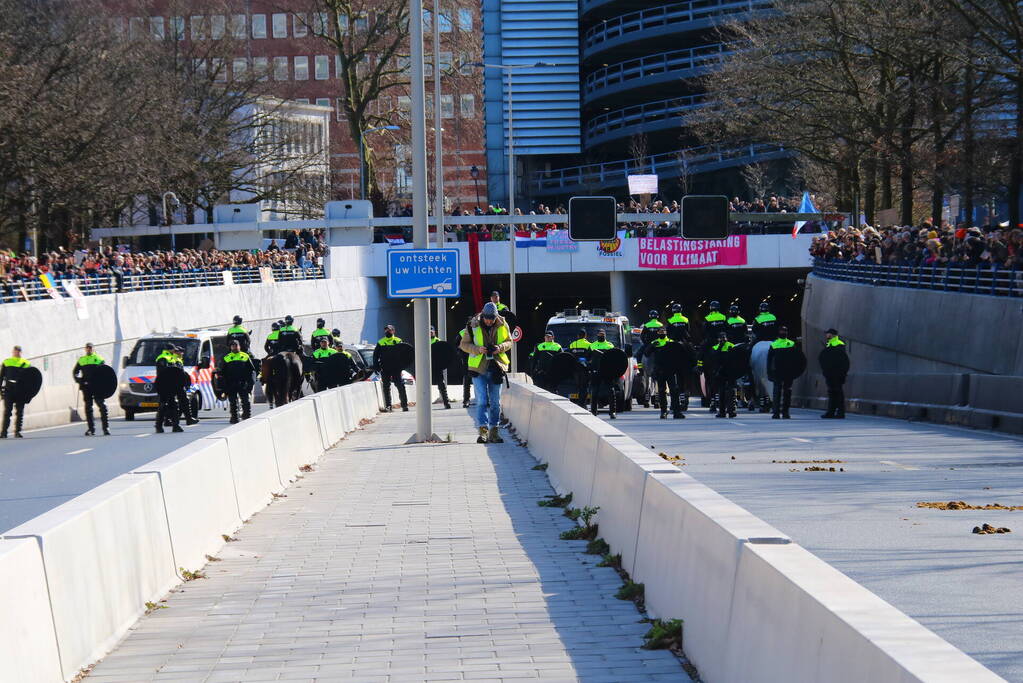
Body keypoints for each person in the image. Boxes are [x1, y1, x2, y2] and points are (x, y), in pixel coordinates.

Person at [460, 302, 512, 443]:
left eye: (492, 319)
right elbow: (463, 344)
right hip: (478, 369)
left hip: (496, 368)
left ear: (496, 317)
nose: (489, 321)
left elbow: (509, 342)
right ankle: (483, 431)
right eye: (487, 318)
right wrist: (477, 349)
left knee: (495, 403)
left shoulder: (503, 324)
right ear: (483, 315)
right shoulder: (473, 324)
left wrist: (499, 347)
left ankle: (494, 431)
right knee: (482, 401)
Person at [73, 343, 109, 436]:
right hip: (86, 387)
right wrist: (80, 381)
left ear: (93, 349)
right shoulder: (82, 360)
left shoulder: (99, 359)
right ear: (85, 349)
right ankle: (91, 429)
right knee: (88, 407)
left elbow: (105, 371)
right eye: (87, 348)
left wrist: (103, 382)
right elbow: (75, 372)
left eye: (90, 348)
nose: (89, 349)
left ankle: (106, 428)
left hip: (97, 386)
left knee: (102, 406)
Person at [766, 327, 802, 419]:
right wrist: (769, 372)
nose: (783, 332)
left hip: (788, 371)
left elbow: (797, 358)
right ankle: (776, 413)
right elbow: (769, 360)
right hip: (777, 371)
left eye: (785, 331)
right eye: (782, 331)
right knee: (777, 392)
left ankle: (786, 413)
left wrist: (796, 370)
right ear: (778, 332)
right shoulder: (774, 344)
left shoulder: (791, 343)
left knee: (787, 392)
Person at [650, 328, 684, 419]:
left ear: (666, 333)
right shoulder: (655, 342)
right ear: (657, 333)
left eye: (664, 332)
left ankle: (676, 412)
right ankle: (663, 411)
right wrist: (651, 346)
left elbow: (679, 355)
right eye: (660, 332)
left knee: (674, 391)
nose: (662, 333)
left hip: (671, 370)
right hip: (660, 370)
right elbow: (646, 353)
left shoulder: (671, 342)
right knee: (662, 391)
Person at [373, 324, 408, 412]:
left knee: (400, 385)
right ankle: (388, 406)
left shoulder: (398, 340)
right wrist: (376, 366)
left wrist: (403, 365)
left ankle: (404, 405)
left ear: (393, 331)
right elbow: (375, 355)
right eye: (386, 330)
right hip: (385, 368)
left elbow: (404, 354)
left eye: (389, 330)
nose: (387, 331)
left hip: (396, 368)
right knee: (386, 387)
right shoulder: (381, 342)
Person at [219, 339, 254, 423]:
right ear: (230, 347)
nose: (235, 347)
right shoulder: (226, 357)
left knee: (245, 401)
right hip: (231, 383)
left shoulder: (245, 356)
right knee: (232, 402)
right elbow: (222, 373)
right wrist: (224, 386)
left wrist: (250, 383)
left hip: (243, 383)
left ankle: (247, 416)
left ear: (239, 346)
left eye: (236, 345)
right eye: (233, 346)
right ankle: (234, 418)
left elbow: (251, 370)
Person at [819, 328, 850, 419]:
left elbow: (841, 360)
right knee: (831, 392)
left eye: (828, 334)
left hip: (837, 373)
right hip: (830, 373)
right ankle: (830, 412)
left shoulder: (839, 344)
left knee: (838, 392)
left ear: (832, 335)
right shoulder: (829, 344)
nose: (826, 335)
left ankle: (840, 412)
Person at [588, 328, 618, 419]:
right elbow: (588, 358)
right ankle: (593, 412)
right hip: (596, 371)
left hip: (607, 371)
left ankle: (612, 412)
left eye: (602, 334)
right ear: (597, 335)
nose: (601, 335)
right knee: (594, 392)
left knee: (611, 392)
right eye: (599, 334)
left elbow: (614, 358)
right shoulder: (592, 345)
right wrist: (590, 368)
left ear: (605, 335)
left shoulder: (610, 345)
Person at [1, 346, 30, 438]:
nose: (16, 353)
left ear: (20, 352)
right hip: (9, 390)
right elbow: (1, 377)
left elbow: (30, 379)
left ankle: (17, 432)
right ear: (12, 352)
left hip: (20, 391)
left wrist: (28, 393)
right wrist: (1, 391)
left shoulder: (26, 363)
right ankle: (4, 432)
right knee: (7, 412)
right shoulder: (6, 362)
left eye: (18, 351)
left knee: (19, 412)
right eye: (15, 351)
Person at [154, 344, 184, 433]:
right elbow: (164, 373)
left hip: (170, 385)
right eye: (173, 349)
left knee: (173, 405)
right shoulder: (163, 358)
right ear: (169, 350)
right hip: (164, 386)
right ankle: (159, 426)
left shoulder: (171, 358)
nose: (175, 351)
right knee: (163, 406)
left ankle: (175, 426)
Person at [711, 332, 738, 418]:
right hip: (723, 372)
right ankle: (725, 411)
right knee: (724, 392)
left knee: (728, 391)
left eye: (723, 338)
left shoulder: (730, 346)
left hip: (727, 371)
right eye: (721, 338)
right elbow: (714, 358)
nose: (722, 339)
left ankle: (729, 411)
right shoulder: (716, 347)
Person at [172, 345, 199, 426]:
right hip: (177, 385)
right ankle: (176, 420)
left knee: (183, 402)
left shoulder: (178, 360)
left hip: (179, 385)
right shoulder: (175, 360)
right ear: (176, 352)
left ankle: (186, 419)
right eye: (180, 351)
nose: (182, 353)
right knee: (181, 402)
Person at [430, 326, 451, 409]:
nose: (430, 333)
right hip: (427, 366)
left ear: (434, 332)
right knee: (425, 386)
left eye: (431, 331)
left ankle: (446, 402)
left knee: (441, 385)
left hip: (437, 366)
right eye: (429, 331)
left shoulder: (438, 341)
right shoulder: (424, 341)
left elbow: (443, 354)